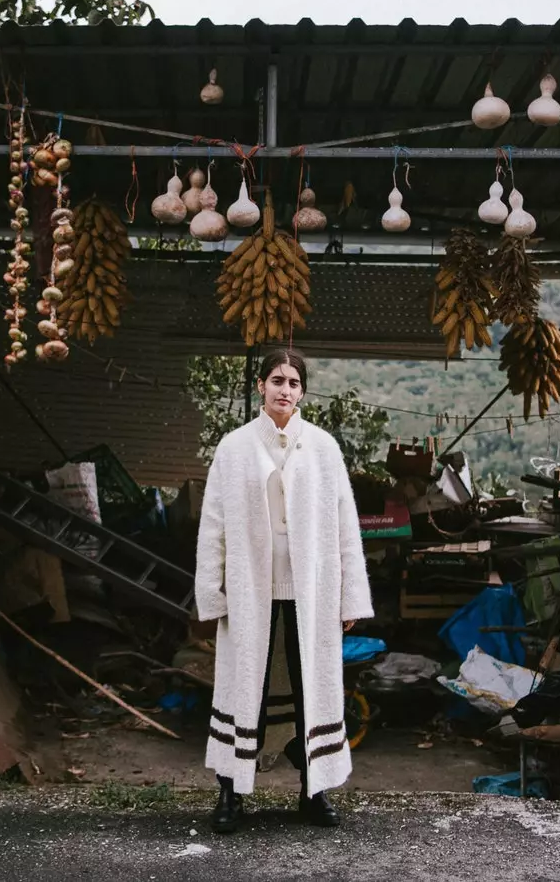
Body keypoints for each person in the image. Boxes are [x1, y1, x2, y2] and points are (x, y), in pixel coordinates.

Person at [194, 347, 374, 834]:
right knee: (241, 689)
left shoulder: (322, 447)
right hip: (249, 588)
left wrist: (350, 595)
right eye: (277, 380)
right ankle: (230, 794)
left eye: (294, 383)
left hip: (310, 589)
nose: (285, 390)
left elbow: (344, 525)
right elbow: (213, 524)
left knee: (308, 689)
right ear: (260, 386)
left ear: (303, 392)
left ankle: (313, 794)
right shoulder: (234, 447)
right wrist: (211, 591)